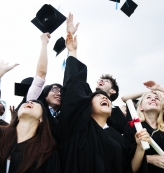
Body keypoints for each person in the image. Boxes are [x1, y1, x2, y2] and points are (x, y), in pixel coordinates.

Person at [58, 15, 151, 173]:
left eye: (106, 98)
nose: (104, 98)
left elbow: (128, 169)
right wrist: (72, 51)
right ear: (87, 105)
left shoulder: (119, 138)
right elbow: (73, 86)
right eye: (98, 96)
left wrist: (140, 148)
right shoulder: (79, 125)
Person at [0, 57, 60, 172]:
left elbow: (40, 77)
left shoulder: (47, 153)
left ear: (42, 118)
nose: (29, 102)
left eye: (35, 103)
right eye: (27, 102)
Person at [123, 81, 164, 173]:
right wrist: (148, 159)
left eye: (157, 98)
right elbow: (131, 167)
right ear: (140, 107)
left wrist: (159, 87)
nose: (153, 99)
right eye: (148, 98)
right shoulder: (133, 128)